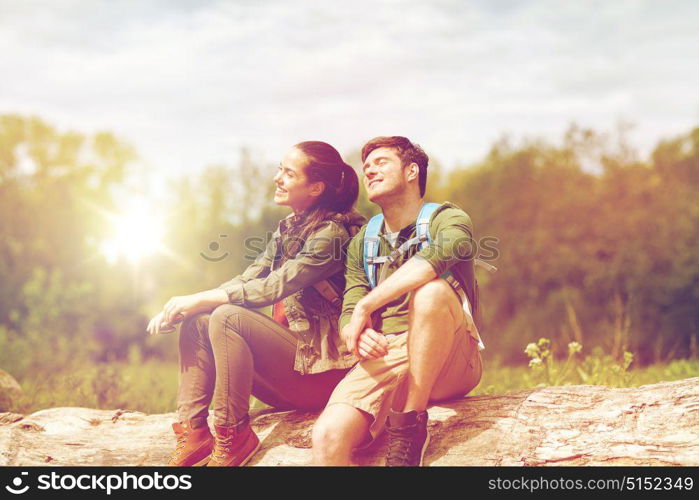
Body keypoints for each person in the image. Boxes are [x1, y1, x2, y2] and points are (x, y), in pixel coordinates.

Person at [146, 141, 365, 467]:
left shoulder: (333, 233)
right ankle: (194, 433)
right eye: (280, 169)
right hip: (294, 373)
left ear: (316, 187)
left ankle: (233, 434)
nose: (277, 178)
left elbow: (276, 285)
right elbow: (247, 278)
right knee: (200, 320)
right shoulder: (290, 228)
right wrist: (189, 304)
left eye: (288, 173)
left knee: (227, 317)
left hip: (325, 376)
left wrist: (204, 299)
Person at [311, 136, 484, 466]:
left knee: (430, 292)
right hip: (388, 354)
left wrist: (366, 308)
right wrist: (356, 332)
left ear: (411, 171)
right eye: (366, 167)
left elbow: (433, 260)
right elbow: (351, 305)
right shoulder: (364, 240)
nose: (370, 171)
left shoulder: (448, 219)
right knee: (328, 436)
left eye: (381, 163)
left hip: (452, 355)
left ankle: (410, 426)